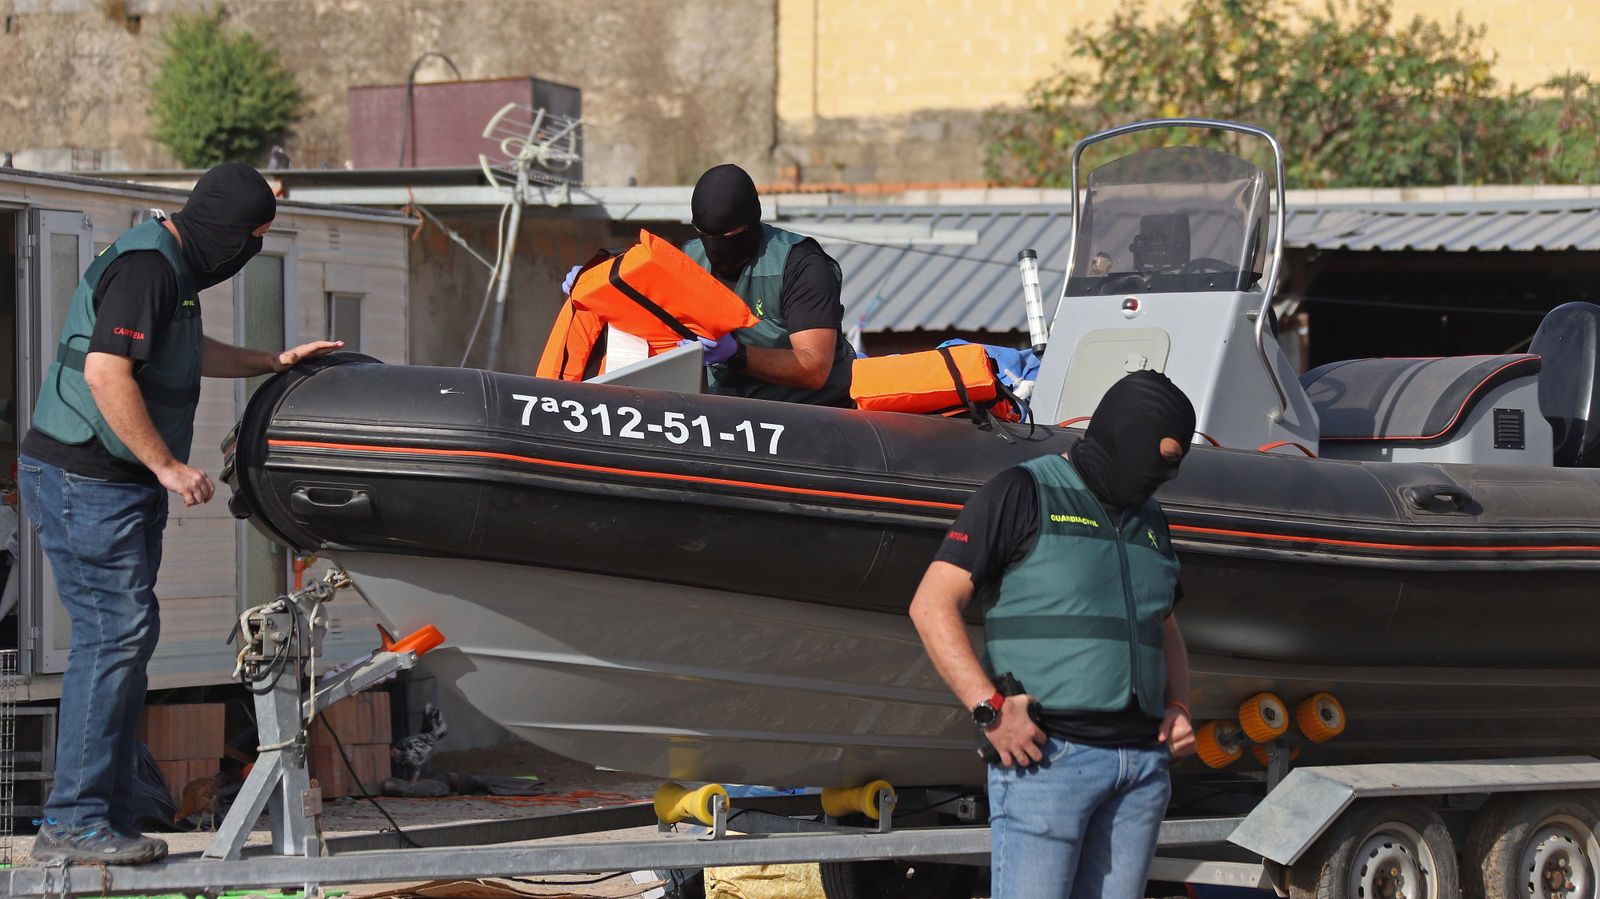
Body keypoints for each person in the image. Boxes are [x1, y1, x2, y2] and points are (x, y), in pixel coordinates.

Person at [18, 162, 343, 865]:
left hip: (111, 484)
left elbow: (183, 351)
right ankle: (73, 821)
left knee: (125, 640)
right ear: (225, 229)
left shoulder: (172, 270)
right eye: (253, 236)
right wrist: (167, 465)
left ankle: (101, 805)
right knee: (115, 635)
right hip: (86, 479)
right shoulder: (149, 269)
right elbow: (108, 373)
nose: (251, 249)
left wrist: (272, 358)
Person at [908, 369, 1198, 899]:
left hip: (1140, 769)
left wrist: (1178, 704)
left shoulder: (1152, 519)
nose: (1158, 481)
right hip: (1050, 760)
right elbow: (931, 604)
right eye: (1156, 462)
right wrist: (989, 710)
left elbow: (1165, 625)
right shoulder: (1022, 493)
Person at [559, 164, 855, 406]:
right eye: (705, 235)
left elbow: (814, 367)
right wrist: (597, 283)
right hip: (727, 414)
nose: (715, 247)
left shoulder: (801, 265)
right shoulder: (690, 259)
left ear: (751, 223)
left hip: (811, 413)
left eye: (728, 236)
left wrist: (735, 354)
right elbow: (645, 306)